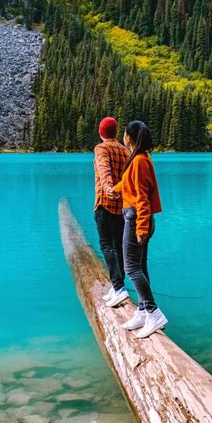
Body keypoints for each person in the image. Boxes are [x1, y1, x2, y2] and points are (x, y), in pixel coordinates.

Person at [113, 120, 168, 338]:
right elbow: (130, 184)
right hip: (136, 217)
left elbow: (143, 197)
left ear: (131, 137)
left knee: (131, 267)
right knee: (140, 265)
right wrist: (115, 189)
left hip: (137, 219)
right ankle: (143, 310)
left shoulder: (140, 161)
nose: (123, 137)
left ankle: (154, 312)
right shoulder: (138, 159)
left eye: (125, 134)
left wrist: (141, 227)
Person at [94, 116, 130, 308]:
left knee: (106, 245)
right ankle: (118, 285)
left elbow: (103, 169)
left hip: (105, 203)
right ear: (115, 132)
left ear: (101, 132)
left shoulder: (101, 148)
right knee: (118, 246)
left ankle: (118, 288)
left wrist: (108, 188)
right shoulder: (125, 150)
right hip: (122, 206)